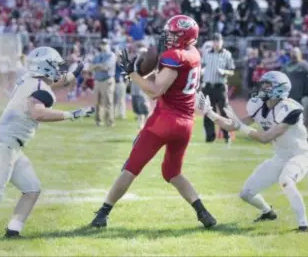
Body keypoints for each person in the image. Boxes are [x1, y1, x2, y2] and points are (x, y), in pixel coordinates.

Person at [90, 15, 217, 229]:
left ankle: (102, 214)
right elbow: (162, 80)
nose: (168, 36)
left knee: (131, 168)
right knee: (172, 173)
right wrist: (145, 70)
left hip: (164, 120)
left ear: (185, 36)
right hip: (185, 124)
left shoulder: (174, 55)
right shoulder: (193, 53)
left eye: (174, 33)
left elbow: (156, 91)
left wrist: (132, 74)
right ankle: (203, 213)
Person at [0, 47, 94, 238]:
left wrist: (75, 72)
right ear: (46, 66)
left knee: (31, 188)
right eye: (55, 65)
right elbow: (38, 113)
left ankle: (13, 232)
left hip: (11, 145)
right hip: (5, 145)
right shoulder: (40, 89)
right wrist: (71, 114)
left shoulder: (30, 79)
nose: (59, 70)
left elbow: (56, 81)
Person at [196, 71, 308, 232]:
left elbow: (265, 138)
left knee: (287, 180)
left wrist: (242, 127)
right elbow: (233, 125)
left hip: (300, 156)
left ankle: (303, 226)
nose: (263, 87)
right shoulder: (260, 105)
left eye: (267, 84)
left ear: (279, 88)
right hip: (281, 157)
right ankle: (268, 212)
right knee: (246, 193)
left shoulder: (290, 109)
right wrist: (209, 112)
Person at [201, 33, 235, 144]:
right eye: (214, 41)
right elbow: (202, 66)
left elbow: (232, 71)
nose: (216, 43)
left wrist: (224, 71)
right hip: (208, 86)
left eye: (218, 41)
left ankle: (227, 135)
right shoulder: (206, 53)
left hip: (220, 87)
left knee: (224, 111)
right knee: (208, 112)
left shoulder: (227, 54)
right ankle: (210, 137)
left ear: (222, 42)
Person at [91, 39, 117, 127]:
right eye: (102, 44)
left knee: (108, 101)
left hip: (107, 80)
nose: (103, 45)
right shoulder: (98, 55)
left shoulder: (111, 55)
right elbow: (90, 67)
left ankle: (110, 121)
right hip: (98, 80)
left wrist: (97, 66)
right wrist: (98, 66)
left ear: (109, 45)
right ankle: (99, 121)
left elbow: (106, 67)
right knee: (98, 102)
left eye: (105, 44)